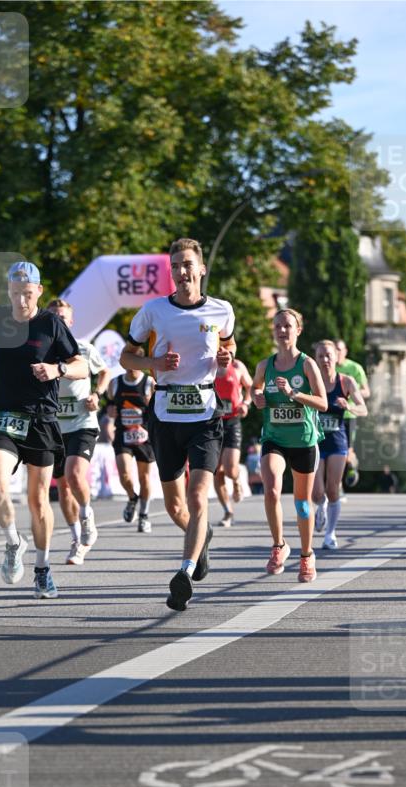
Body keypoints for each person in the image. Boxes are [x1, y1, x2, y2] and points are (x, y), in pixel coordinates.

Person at [119, 238, 235, 611]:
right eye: (176, 266)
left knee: (198, 495)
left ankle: (184, 573)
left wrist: (226, 357)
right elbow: (126, 358)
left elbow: (229, 350)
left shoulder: (222, 311)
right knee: (174, 505)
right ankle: (201, 539)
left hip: (205, 414)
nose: (182, 272)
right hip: (165, 415)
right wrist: (154, 365)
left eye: (188, 265)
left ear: (201, 269)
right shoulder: (153, 312)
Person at [0, 262, 88, 597]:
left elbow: (82, 366)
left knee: (37, 499)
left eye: (28, 294)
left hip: (42, 419)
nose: (21, 301)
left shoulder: (50, 323)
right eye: (16, 294)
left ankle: (43, 568)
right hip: (5, 416)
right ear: (8, 291)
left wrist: (56, 368)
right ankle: (14, 542)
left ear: (39, 291)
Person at [252, 310, 327, 581]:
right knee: (271, 488)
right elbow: (255, 388)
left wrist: (294, 394)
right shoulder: (264, 365)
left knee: (302, 505)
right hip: (274, 438)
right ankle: (279, 546)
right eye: (278, 326)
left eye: (288, 326)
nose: (282, 330)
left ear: (298, 330)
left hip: (304, 442)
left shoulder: (307, 365)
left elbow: (323, 402)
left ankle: (307, 556)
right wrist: (257, 398)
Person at [47, 298, 109, 565]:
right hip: (54, 425)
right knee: (62, 487)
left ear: (70, 322)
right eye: (54, 317)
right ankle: (77, 541)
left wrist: (97, 393)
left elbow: (104, 371)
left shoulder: (83, 348)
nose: (59, 321)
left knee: (74, 473)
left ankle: (87, 518)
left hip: (83, 422)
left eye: (63, 317)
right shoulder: (41, 352)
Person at [312, 340, 367, 549]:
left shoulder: (346, 382)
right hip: (315, 441)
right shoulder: (310, 380)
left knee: (333, 489)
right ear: (315, 359)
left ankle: (330, 535)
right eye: (320, 356)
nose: (325, 360)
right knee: (316, 493)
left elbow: (364, 409)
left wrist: (350, 407)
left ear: (336, 358)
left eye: (328, 356)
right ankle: (321, 506)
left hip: (337, 441)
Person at [108, 364, 156, 533]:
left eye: (135, 365)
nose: (131, 369)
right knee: (125, 474)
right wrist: (110, 416)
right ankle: (132, 497)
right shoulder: (115, 383)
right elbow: (110, 406)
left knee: (144, 478)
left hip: (144, 437)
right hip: (123, 435)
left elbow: (157, 408)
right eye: (127, 365)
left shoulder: (149, 383)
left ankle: (144, 516)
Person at [214, 357, 252, 527]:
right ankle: (228, 511)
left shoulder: (237, 366)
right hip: (212, 423)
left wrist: (246, 403)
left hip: (232, 422)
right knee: (216, 471)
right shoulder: (207, 365)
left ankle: (236, 481)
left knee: (229, 469)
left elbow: (251, 386)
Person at [335, 339, 370, 488]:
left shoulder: (355, 368)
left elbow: (366, 391)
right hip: (330, 415)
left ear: (345, 351)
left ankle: (352, 466)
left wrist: (349, 392)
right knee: (332, 452)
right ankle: (337, 486)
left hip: (349, 415)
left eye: (339, 349)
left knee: (346, 452)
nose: (336, 353)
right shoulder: (326, 367)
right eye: (334, 349)